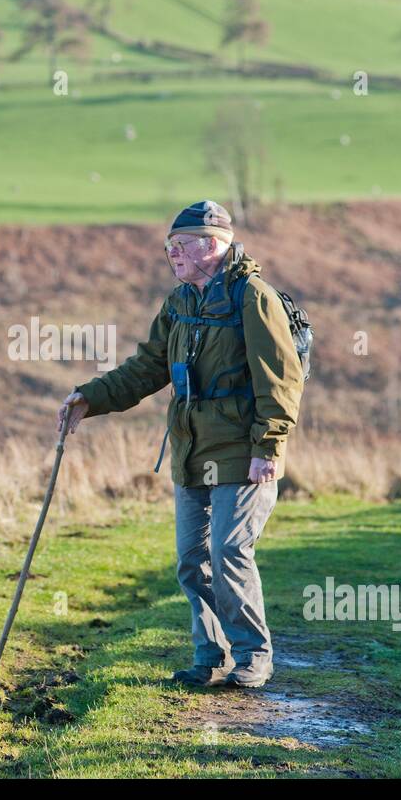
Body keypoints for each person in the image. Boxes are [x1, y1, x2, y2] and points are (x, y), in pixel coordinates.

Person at [56, 200, 304, 688]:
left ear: (212, 244)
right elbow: (147, 366)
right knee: (193, 561)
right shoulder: (180, 302)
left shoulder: (252, 297)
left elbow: (280, 380)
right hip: (190, 448)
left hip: (242, 449)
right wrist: (91, 397)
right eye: (169, 246)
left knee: (230, 551)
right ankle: (210, 656)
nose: (171, 254)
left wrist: (268, 449)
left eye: (180, 245)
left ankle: (254, 656)